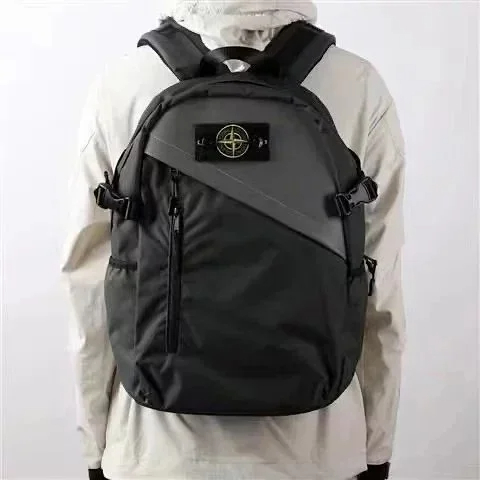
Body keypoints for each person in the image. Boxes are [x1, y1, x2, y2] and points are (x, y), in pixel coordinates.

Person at [61, 1, 406, 480]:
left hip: (154, 449)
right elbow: (381, 290)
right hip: (318, 450)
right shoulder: (358, 83)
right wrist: (376, 447)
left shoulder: (123, 83)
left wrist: (95, 446)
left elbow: (88, 287)